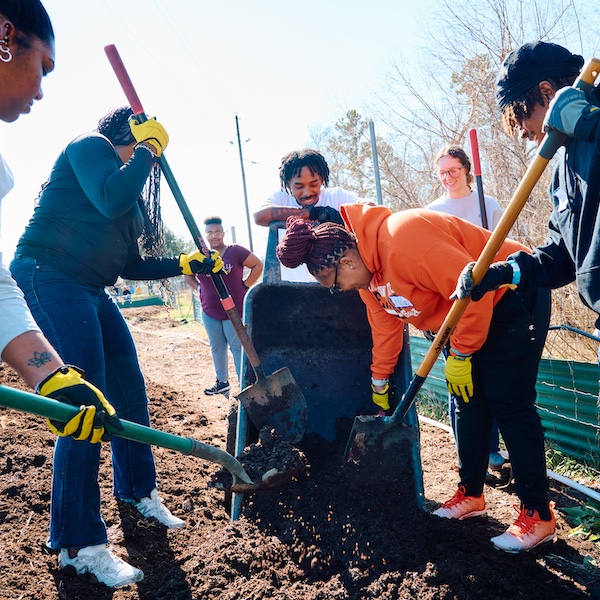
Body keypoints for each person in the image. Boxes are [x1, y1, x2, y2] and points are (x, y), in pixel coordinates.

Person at [9, 105, 223, 588]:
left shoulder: (132, 199)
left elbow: (130, 266)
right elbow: (108, 198)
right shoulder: (90, 147)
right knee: (84, 402)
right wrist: (149, 150)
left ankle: (137, 490)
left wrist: (186, 263)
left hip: (93, 288)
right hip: (48, 275)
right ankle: (78, 544)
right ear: (132, 136)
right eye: (146, 143)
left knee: (128, 391)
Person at [276, 204, 556, 553]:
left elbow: (475, 289)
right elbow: (386, 328)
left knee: (507, 401)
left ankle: (538, 514)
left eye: (333, 285)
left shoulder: (405, 239)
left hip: (510, 295)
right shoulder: (369, 279)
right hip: (465, 316)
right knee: (466, 401)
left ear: (345, 263)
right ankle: (470, 494)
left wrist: (463, 353)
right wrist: (380, 382)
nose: (340, 290)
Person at [455, 41, 600, 355]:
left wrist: (590, 123)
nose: (520, 132)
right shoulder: (561, 168)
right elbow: (562, 256)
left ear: (547, 92)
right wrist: (503, 272)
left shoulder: (595, 122)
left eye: (518, 117)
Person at [426, 145, 506, 472]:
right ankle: (467, 455)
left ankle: (491, 450)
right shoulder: (433, 211)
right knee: (459, 382)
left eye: (453, 171)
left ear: (466, 169)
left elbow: (504, 249)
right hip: (451, 306)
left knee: (491, 378)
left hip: (489, 301)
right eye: (442, 173)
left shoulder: (488, 205)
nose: (447, 178)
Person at [184, 216, 263, 395]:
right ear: (205, 236)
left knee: (237, 347)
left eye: (217, 232)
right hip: (209, 311)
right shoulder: (198, 256)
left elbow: (257, 265)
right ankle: (222, 382)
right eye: (210, 233)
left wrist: (245, 285)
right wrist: (199, 289)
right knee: (217, 346)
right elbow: (187, 275)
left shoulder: (235, 252)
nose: (214, 236)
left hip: (234, 310)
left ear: (223, 233)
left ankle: (245, 384)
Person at [253, 148, 365, 227]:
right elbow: (259, 216)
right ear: (288, 184)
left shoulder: (336, 196)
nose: (307, 192)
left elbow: (370, 208)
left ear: (322, 180)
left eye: (313, 184)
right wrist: (313, 213)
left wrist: (338, 217)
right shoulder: (282, 198)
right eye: (299, 186)